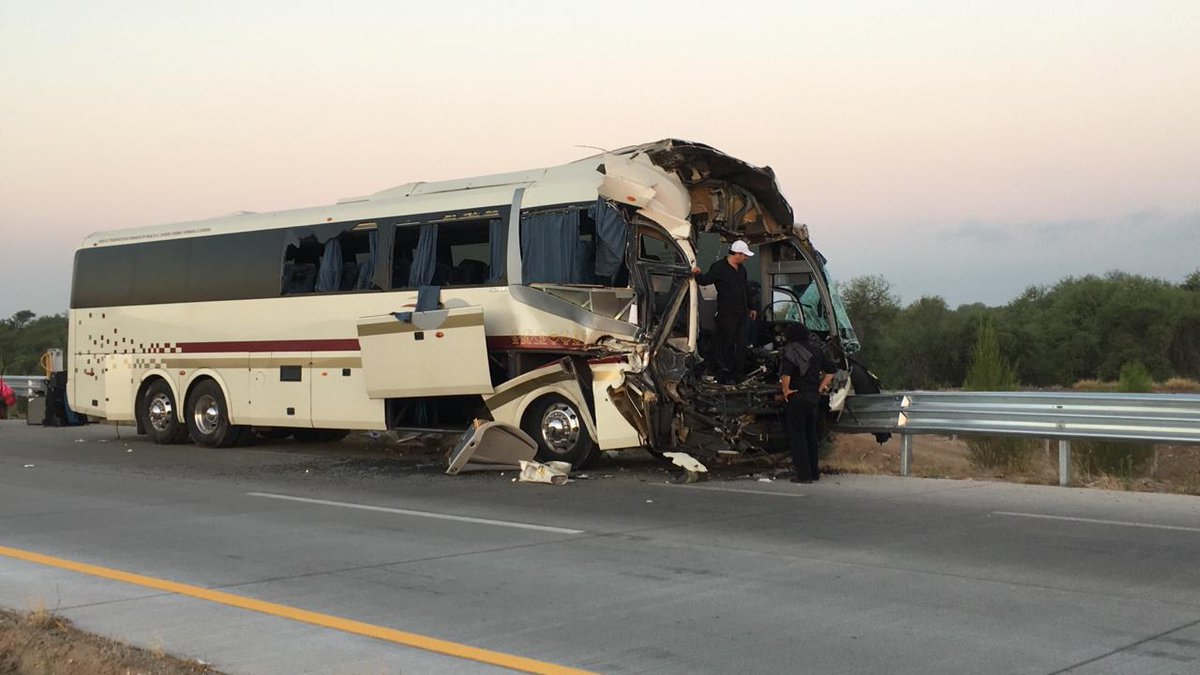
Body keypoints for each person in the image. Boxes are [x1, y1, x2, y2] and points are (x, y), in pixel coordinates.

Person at [692, 240, 757, 383]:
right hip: (727, 312)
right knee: (726, 342)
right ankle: (726, 372)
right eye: (745, 255)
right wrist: (697, 274)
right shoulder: (719, 267)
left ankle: (738, 372)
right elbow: (705, 280)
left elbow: (745, 289)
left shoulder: (741, 270)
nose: (746, 258)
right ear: (737, 254)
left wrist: (751, 307)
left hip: (742, 312)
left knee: (741, 343)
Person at [778, 323, 835, 483]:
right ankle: (814, 472)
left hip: (797, 397)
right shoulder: (817, 350)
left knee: (798, 436)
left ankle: (803, 475)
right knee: (811, 435)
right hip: (813, 397)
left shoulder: (791, 350)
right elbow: (831, 371)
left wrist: (786, 391)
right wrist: (820, 387)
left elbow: (786, 374)